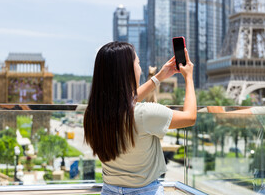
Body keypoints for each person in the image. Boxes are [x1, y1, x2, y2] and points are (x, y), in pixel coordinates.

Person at [84, 41, 197, 195]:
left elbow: (126, 102)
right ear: (129, 70)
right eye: (138, 63)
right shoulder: (145, 114)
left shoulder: (93, 113)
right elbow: (190, 117)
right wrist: (189, 77)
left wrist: (159, 77)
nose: (140, 67)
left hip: (109, 190)